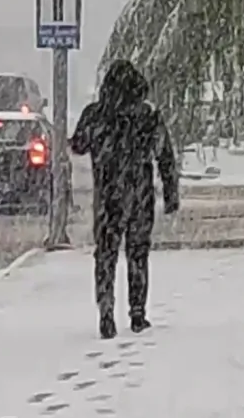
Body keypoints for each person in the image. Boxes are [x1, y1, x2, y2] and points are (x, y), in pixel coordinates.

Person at [69, 60, 179, 339]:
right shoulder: (148, 115)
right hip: (139, 194)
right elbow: (165, 155)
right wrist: (170, 193)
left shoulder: (95, 115)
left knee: (105, 254)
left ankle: (106, 313)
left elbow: (79, 145)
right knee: (138, 254)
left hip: (108, 195)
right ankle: (138, 313)